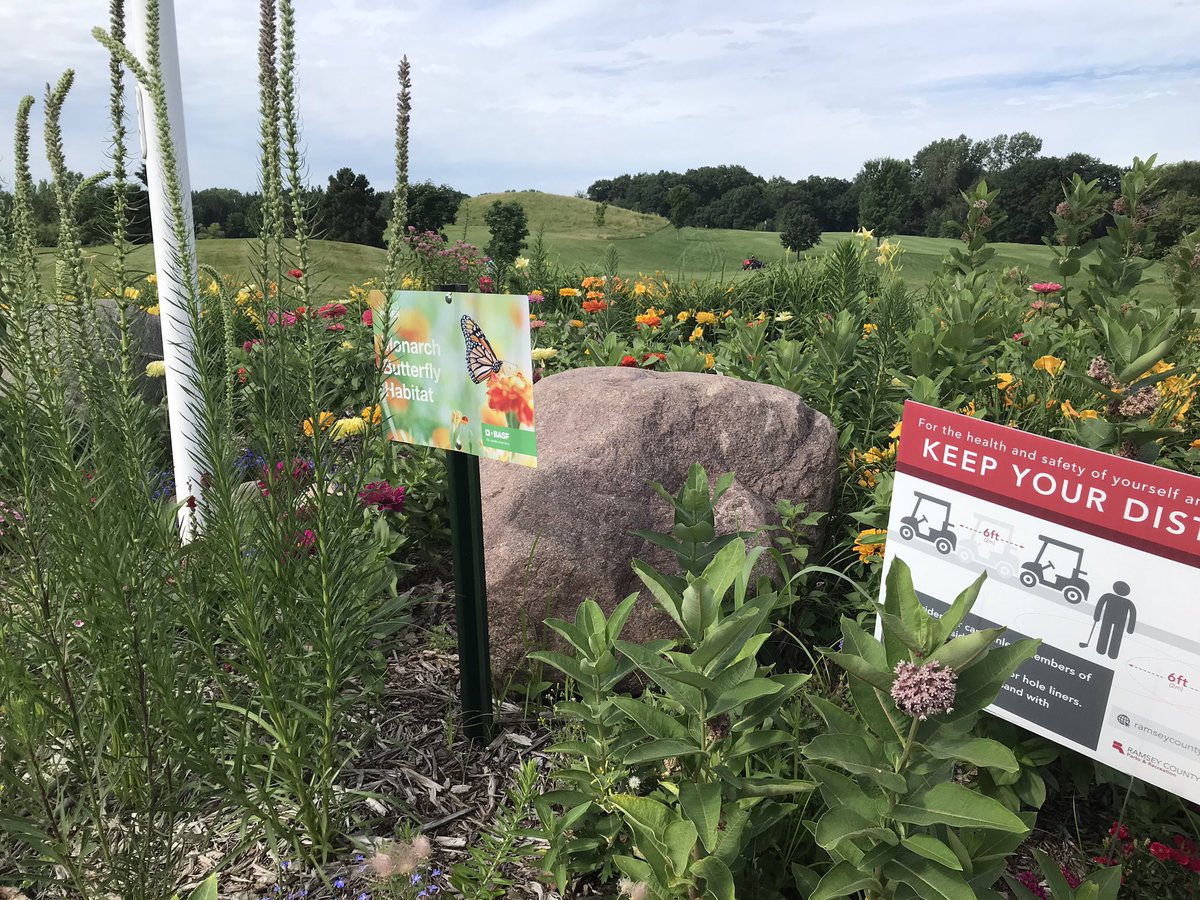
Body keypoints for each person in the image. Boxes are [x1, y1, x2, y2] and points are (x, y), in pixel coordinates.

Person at [1093, 581, 1136, 660]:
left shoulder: (1109, 596)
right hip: (1115, 620)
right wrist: (1130, 629)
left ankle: (1105, 651)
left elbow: (1133, 615)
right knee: (1110, 635)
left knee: (1111, 635)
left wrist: (1097, 617)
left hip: (1112, 619)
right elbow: (1133, 615)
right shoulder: (1127, 602)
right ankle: (1108, 652)